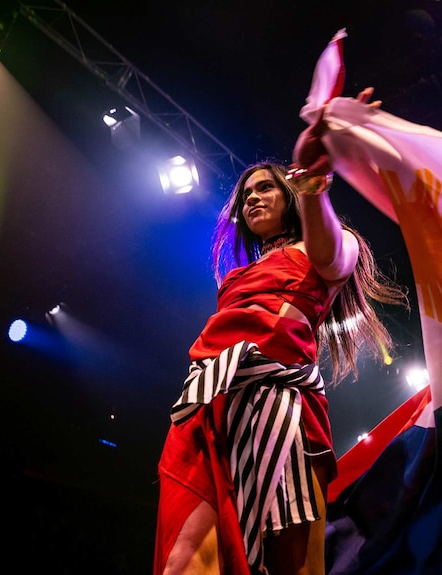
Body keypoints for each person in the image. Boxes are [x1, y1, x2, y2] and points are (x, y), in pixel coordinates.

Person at [153, 88, 409, 575]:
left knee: (292, 565)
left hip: (280, 407)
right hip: (208, 405)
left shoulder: (329, 246)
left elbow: (331, 255)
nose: (252, 198)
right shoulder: (234, 277)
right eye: (246, 195)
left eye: (265, 189)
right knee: (183, 562)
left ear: (289, 194)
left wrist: (314, 182)